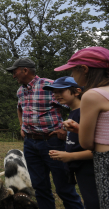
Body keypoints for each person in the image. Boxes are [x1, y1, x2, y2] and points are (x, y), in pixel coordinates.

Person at [6, 58, 83, 209]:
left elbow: (75, 105)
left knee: (63, 187)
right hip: (30, 144)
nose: (13, 75)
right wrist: (22, 126)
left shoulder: (50, 85)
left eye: (15, 72)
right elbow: (19, 108)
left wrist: (65, 129)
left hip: (52, 142)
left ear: (25, 70)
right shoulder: (20, 90)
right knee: (40, 187)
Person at [54, 46, 109, 208]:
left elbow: (85, 143)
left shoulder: (92, 96)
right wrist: (79, 128)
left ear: (84, 69)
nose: (72, 76)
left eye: (73, 71)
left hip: (104, 161)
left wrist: (82, 131)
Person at [43, 76, 99, 209]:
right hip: (80, 169)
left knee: (94, 202)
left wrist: (70, 156)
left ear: (77, 91)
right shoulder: (73, 112)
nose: (56, 95)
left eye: (60, 91)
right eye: (54, 92)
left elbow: (99, 148)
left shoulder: (85, 112)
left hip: (90, 168)